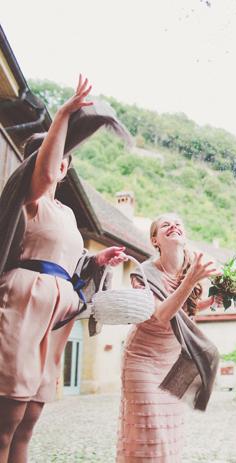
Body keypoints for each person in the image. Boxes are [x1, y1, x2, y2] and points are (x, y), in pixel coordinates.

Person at [0, 75, 127, 463]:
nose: (58, 163)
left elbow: (68, 262)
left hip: (56, 317)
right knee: (6, 422)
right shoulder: (29, 199)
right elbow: (41, 174)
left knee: (29, 421)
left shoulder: (67, 214)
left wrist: (96, 262)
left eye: (63, 158)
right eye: (52, 156)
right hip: (24, 306)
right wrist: (63, 116)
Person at [117, 213, 220, 463]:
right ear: (155, 240)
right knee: (149, 431)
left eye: (178, 223)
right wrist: (190, 280)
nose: (173, 225)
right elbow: (162, 315)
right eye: (165, 224)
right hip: (142, 359)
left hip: (173, 361)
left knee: (168, 433)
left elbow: (184, 311)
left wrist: (211, 301)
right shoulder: (143, 273)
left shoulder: (190, 266)